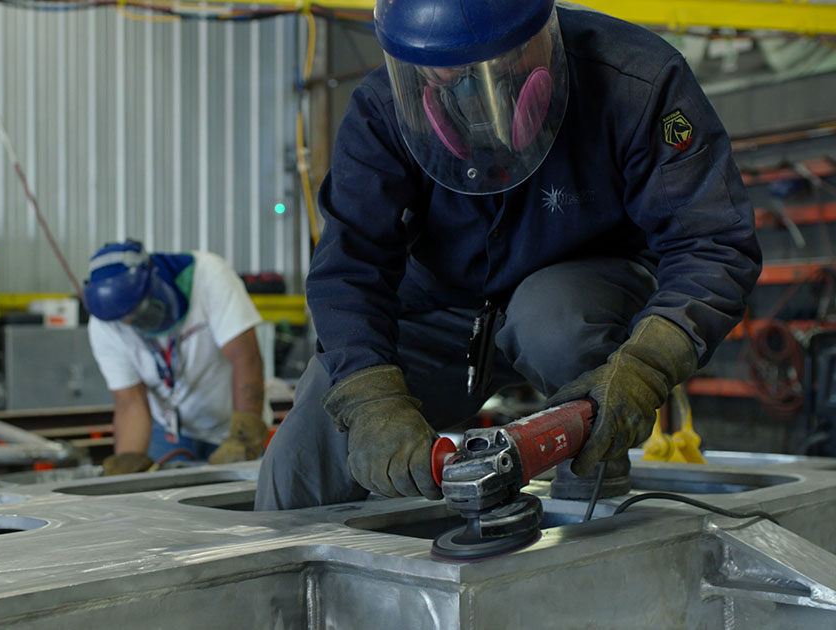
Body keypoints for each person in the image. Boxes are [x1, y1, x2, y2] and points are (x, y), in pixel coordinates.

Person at [255, 0, 761, 510]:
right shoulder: (380, 111)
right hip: (440, 315)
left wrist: (647, 364)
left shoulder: (639, 81)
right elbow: (348, 268)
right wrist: (371, 400)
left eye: (502, 61)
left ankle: (594, 497)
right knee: (309, 442)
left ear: (543, 28)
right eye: (452, 69)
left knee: (554, 319)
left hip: (585, 314)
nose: (477, 85)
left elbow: (713, 244)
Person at [85, 240, 271, 475]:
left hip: (232, 424)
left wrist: (244, 439)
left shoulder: (208, 276)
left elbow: (246, 358)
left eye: (138, 310)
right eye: (125, 318)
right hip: (171, 431)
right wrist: (127, 465)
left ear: (154, 278)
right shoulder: (106, 325)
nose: (132, 322)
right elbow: (130, 403)